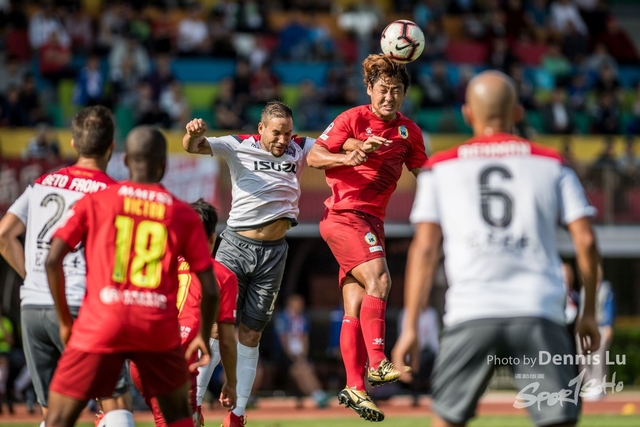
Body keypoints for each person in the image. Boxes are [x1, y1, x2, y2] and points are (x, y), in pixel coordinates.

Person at [392, 70, 601, 427]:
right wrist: (589, 313)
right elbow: (586, 240)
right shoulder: (551, 163)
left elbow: (424, 249)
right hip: (538, 309)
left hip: (470, 310)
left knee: (446, 419)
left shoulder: (440, 168)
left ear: (467, 114)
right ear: (518, 112)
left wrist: (410, 326)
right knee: (558, 420)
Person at [43, 126, 220, 427]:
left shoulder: (96, 201)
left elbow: (52, 259)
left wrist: (64, 322)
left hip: (101, 320)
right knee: (179, 416)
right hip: (155, 325)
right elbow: (210, 288)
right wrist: (202, 334)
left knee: (59, 418)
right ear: (163, 163)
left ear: (125, 160)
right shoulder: (182, 214)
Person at [307, 53, 427, 422]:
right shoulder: (352, 119)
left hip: (373, 222)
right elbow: (314, 156)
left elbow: (425, 173)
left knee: (355, 306)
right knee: (382, 280)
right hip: (344, 215)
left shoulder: (409, 132)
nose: (389, 97)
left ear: (404, 93)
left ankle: (355, 387)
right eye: (383, 90)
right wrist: (349, 156)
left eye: (396, 90)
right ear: (370, 90)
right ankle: (377, 362)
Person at [182, 100, 315, 427]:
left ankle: (237, 415)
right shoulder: (237, 144)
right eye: (276, 133)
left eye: (287, 133)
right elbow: (192, 147)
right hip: (235, 248)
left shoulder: (300, 147)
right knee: (216, 327)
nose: (283, 140)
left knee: (251, 335)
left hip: (274, 253)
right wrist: (192, 134)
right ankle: (193, 405)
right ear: (261, 128)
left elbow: (332, 145)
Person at [0, 106, 133, 426]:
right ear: (111, 146)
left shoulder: (41, 183)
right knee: (115, 402)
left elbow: (4, 235)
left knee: (54, 413)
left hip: (33, 308)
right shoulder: (112, 192)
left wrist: (35, 278)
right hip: (80, 305)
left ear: (73, 144)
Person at [130, 198, 239, 426]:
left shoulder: (158, 264)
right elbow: (226, 340)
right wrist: (231, 382)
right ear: (212, 238)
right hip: (176, 363)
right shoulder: (223, 276)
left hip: (140, 360)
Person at [273, 294, 329, 408]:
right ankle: (317, 394)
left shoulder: (304, 318)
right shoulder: (281, 318)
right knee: (299, 371)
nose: (300, 306)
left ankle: (318, 394)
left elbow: (305, 338)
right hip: (284, 355)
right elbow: (283, 339)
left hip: (300, 354)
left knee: (307, 368)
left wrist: (303, 355)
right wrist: (293, 357)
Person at [578, 265, 615, 401]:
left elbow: (609, 308)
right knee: (582, 356)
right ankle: (589, 384)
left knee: (599, 358)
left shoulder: (606, 289)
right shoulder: (584, 290)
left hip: (600, 327)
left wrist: (608, 326)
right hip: (585, 329)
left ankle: (599, 386)